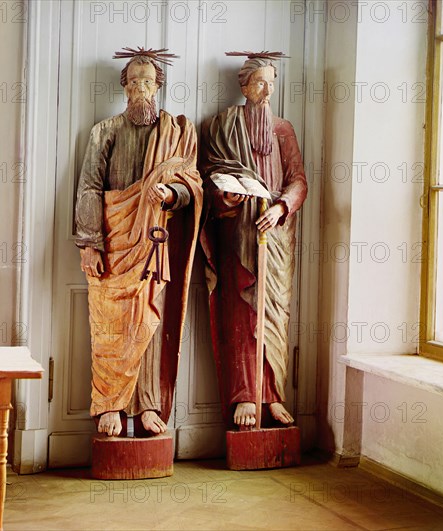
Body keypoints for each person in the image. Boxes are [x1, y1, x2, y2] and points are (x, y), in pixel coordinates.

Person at [75, 48, 202, 437]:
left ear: (158, 86)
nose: (140, 89)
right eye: (133, 82)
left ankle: (147, 403)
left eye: (147, 81)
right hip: (114, 239)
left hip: (153, 240)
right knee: (111, 325)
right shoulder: (105, 130)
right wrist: (90, 243)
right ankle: (111, 403)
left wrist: (170, 196)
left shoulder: (177, 132)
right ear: (124, 87)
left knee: (148, 320)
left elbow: (193, 183)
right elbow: (90, 188)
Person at [200, 52, 307, 429]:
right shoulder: (220, 126)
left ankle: (272, 394)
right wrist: (225, 199)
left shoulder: (283, 130)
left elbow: (298, 180)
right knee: (241, 315)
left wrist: (281, 208)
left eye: (272, 83)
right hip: (236, 233)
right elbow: (209, 175)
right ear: (244, 86)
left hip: (274, 234)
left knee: (274, 314)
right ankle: (245, 395)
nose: (267, 90)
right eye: (260, 82)